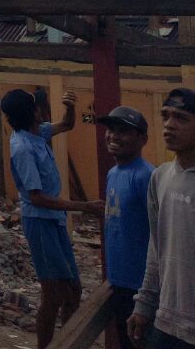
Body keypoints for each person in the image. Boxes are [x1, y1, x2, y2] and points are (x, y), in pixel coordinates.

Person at [0, 88, 103, 349]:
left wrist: (70, 107)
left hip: (54, 220)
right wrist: (85, 207)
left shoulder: (37, 132)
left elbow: (67, 124)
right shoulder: (23, 148)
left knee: (73, 290)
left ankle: (67, 343)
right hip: (40, 221)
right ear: (35, 113)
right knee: (54, 294)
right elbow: (37, 198)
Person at [128, 87, 195, 349]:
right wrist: (144, 304)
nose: (169, 124)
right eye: (165, 116)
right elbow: (156, 248)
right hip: (166, 320)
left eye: (181, 118)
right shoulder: (160, 177)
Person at [94, 106, 153, 349]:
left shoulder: (146, 176)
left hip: (140, 286)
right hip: (118, 281)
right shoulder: (113, 173)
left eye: (123, 131)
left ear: (142, 139)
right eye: (111, 129)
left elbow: (159, 233)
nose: (113, 136)